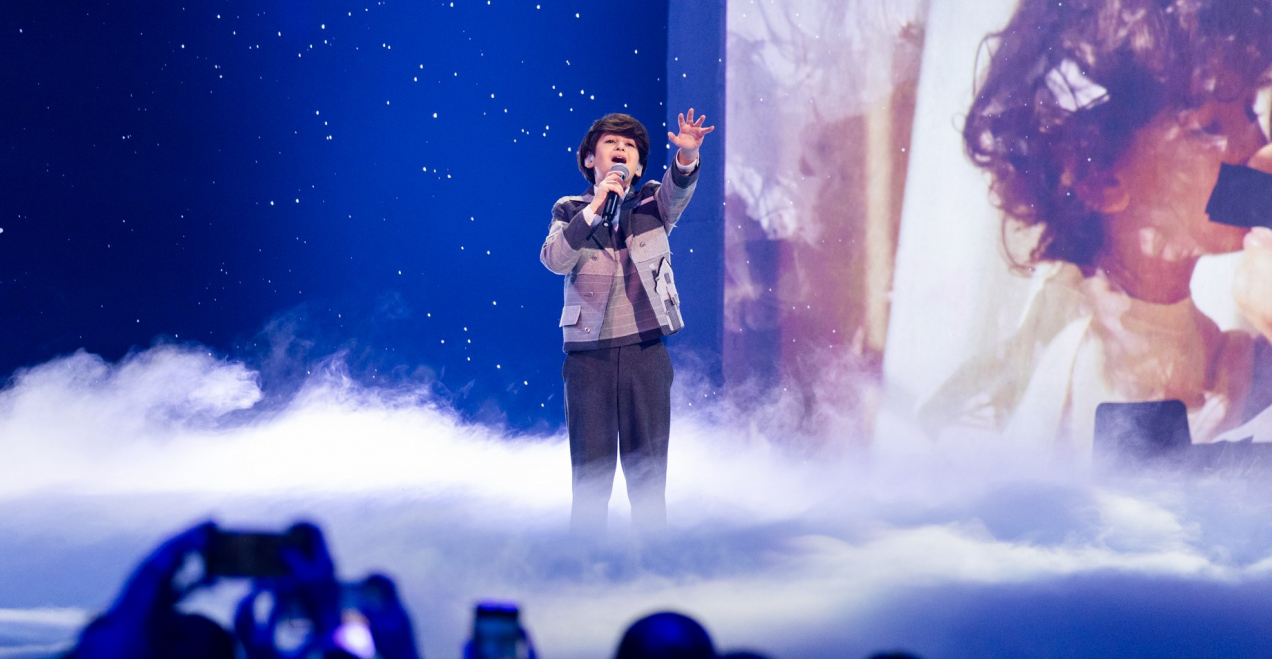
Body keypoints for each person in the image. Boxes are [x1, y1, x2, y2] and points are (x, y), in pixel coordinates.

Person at [918, 0, 1272, 456]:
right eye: (1208, 128)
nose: (1256, 144)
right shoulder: (1094, 362)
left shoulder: (1215, 351)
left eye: (1250, 111)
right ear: (1100, 180)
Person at [541, 109, 713, 535]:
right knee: (591, 480)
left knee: (648, 479)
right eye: (611, 143)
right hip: (588, 359)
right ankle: (586, 566)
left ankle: (652, 563)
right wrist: (595, 207)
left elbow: (678, 189)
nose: (621, 148)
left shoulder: (653, 201)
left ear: (638, 167)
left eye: (630, 146)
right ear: (589, 159)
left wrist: (687, 156)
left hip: (645, 352)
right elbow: (555, 260)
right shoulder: (570, 208)